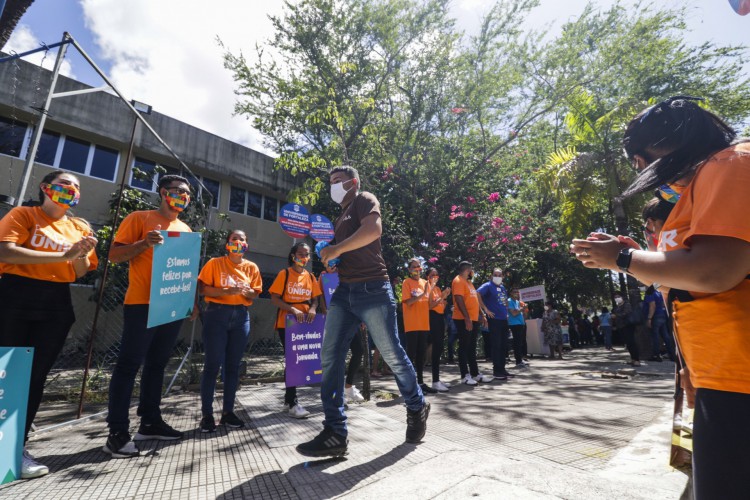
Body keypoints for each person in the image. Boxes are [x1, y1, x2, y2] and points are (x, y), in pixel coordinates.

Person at [570, 96, 750, 498]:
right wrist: (633, 259)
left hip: (740, 378)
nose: (647, 174)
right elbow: (689, 282)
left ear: (669, 143)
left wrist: (622, 258)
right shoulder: (707, 179)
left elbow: (715, 271)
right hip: (719, 375)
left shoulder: (731, 164)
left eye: (642, 162)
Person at [297, 166, 429, 457]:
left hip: (373, 290)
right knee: (329, 356)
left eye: (337, 181)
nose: (332, 186)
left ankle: (417, 406)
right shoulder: (339, 218)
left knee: (393, 354)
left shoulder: (364, 199)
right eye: (330, 182)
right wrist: (333, 259)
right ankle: (335, 431)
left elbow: (373, 231)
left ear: (353, 183)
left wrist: (336, 249)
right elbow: (348, 252)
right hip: (345, 292)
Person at [0, 170, 98, 478]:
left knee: (34, 377)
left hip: (56, 302)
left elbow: (80, 271)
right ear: (46, 188)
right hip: (15, 295)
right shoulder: (25, 214)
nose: (71, 189)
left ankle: (13, 449)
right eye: (64, 184)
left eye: (76, 187)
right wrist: (63, 254)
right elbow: (4, 250)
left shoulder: (79, 226)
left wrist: (79, 253)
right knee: (4, 369)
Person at [104, 174, 193, 458]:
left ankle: (150, 421)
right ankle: (117, 432)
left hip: (172, 306)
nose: (183, 196)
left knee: (157, 365)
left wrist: (188, 302)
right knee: (129, 365)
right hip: (142, 304)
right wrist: (143, 244)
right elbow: (114, 255)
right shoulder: (139, 218)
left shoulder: (186, 228)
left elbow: (184, 269)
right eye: (178, 191)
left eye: (187, 194)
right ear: (164, 192)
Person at [197, 229, 262, 432]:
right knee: (212, 365)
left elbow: (255, 294)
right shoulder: (215, 263)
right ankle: (207, 414)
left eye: (242, 239)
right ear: (227, 244)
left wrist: (247, 291)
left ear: (246, 245)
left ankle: (228, 413)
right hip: (217, 314)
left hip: (241, 316)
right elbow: (202, 289)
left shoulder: (252, 267)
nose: (238, 242)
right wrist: (226, 291)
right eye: (234, 239)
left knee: (233, 367)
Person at [269, 242, 321, 419]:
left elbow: (315, 299)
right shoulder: (284, 274)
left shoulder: (311, 277)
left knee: (298, 361)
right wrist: (292, 309)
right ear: (293, 255)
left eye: (306, 254)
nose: (303, 257)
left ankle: (287, 400)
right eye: (300, 253)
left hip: (306, 323)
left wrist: (313, 308)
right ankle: (293, 403)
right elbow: (274, 299)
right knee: (293, 361)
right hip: (288, 322)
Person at [452, 261, 493, 385]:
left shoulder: (469, 282)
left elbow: (474, 299)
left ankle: (475, 374)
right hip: (463, 319)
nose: (473, 272)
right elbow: (459, 299)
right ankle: (465, 375)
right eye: (471, 270)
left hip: (474, 319)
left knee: (471, 347)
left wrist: (482, 315)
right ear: (467, 270)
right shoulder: (458, 280)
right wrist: (467, 318)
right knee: (464, 347)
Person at [401, 258, 438, 394]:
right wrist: (422, 294)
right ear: (409, 269)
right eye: (414, 267)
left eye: (419, 266)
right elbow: (408, 302)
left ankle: (421, 383)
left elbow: (428, 304)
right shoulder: (406, 283)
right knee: (411, 355)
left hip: (424, 324)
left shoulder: (425, 283)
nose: (417, 269)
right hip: (412, 324)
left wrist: (441, 297)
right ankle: (409, 386)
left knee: (421, 355)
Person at [477, 268, 513, 380]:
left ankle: (502, 369)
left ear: (502, 276)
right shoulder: (487, 286)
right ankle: (496, 371)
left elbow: (505, 301)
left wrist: (506, 311)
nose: (497, 276)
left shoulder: (502, 287)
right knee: (496, 345)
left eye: (499, 275)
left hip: (503, 319)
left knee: (503, 345)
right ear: (491, 276)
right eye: (495, 274)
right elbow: (477, 293)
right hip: (494, 319)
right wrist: (485, 309)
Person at [426, 267, 451, 391]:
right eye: (432, 275)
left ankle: (437, 379)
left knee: (440, 347)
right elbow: (430, 305)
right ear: (427, 277)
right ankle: (435, 381)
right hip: (432, 319)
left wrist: (444, 296)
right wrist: (442, 298)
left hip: (440, 318)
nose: (435, 277)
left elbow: (441, 305)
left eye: (436, 274)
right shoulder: (428, 288)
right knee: (435, 348)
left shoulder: (437, 288)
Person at [644, 284, 675, 362]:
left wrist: (649, 318)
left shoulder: (650, 293)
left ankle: (656, 355)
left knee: (655, 337)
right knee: (666, 337)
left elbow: (652, 306)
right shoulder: (659, 292)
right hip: (662, 315)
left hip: (655, 317)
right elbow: (663, 304)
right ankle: (672, 355)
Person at [611, 292, 639, 366]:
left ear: (622, 297)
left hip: (628, 325)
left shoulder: (626, 304)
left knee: (631, 342)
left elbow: (627, 313)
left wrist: (616, 315)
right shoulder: (617, 306)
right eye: (615, 297)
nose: (617, 298)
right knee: (628, 344)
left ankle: (636, 360)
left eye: (618, 296)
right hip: (621, 326)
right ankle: (633, 359)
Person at [507, 288, 529, 368]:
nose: (516, 293)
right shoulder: (509, 301)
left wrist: (524, 310)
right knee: (517, 343)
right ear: (511, 293)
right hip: (514, 324)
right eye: (514, 292)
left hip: (520, 323)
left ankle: (520, 359)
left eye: (517, 292)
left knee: (520, 343)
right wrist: (522, 309)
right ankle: (518, 361)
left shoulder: (517, 302)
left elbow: (523, 313)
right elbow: (514, 313)